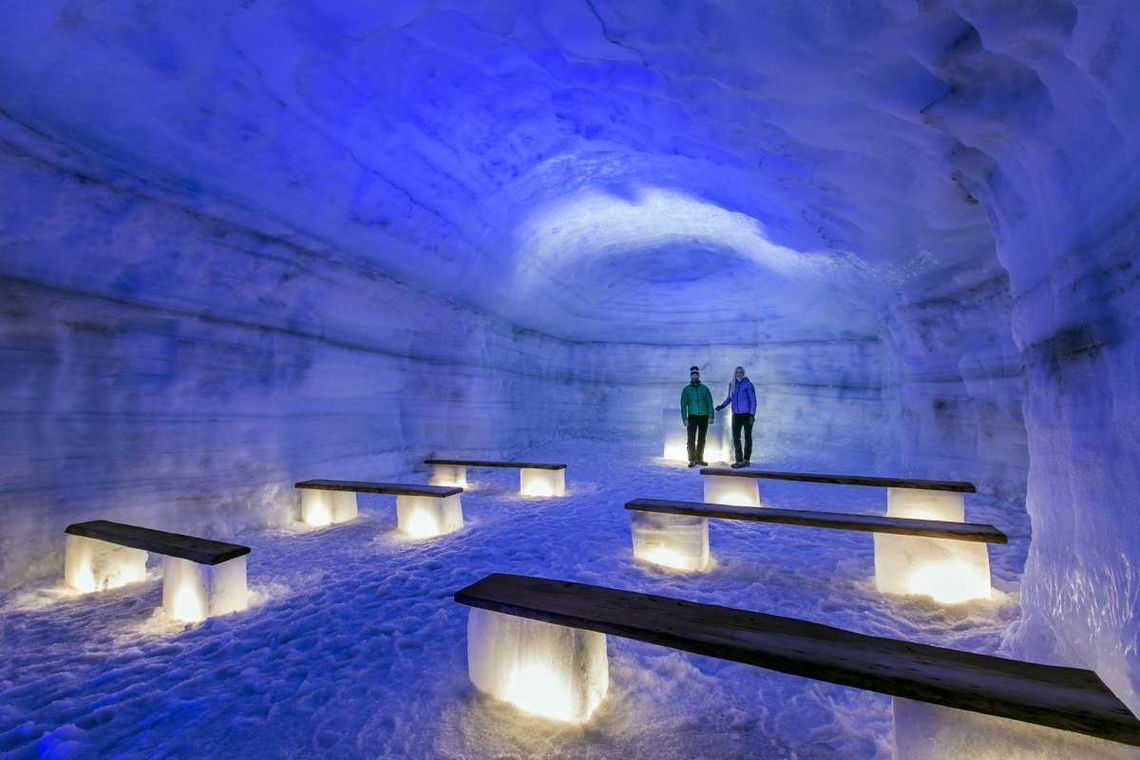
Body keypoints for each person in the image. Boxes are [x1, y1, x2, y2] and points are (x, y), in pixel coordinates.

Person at [716, 366, 757, 468]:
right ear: (734, 374)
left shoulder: (748, 384)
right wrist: (722, 406)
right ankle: (739, 460)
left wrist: (752, 415)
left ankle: (746, 459)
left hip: (747, 415)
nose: (738, 374)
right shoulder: (732, 384)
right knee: (736, 437)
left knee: (747, 437)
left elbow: (753, 400)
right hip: (736, 415)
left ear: (743, 374)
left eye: (740, 372)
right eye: (737, 372)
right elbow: (730, 398)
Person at [680, 365, 715, 467]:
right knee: (691, 438)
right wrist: (684, 418)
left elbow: (709, 402)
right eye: (693, 375)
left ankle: (700, 459)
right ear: (691, 376)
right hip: (692, 417)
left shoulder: (704, 388)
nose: (695, 376)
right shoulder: (687, 390)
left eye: (696, 375)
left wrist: (711, 416)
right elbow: (683, 405)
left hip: (704, 416)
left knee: (702, 438)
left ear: (698, 376)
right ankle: (692, 459)